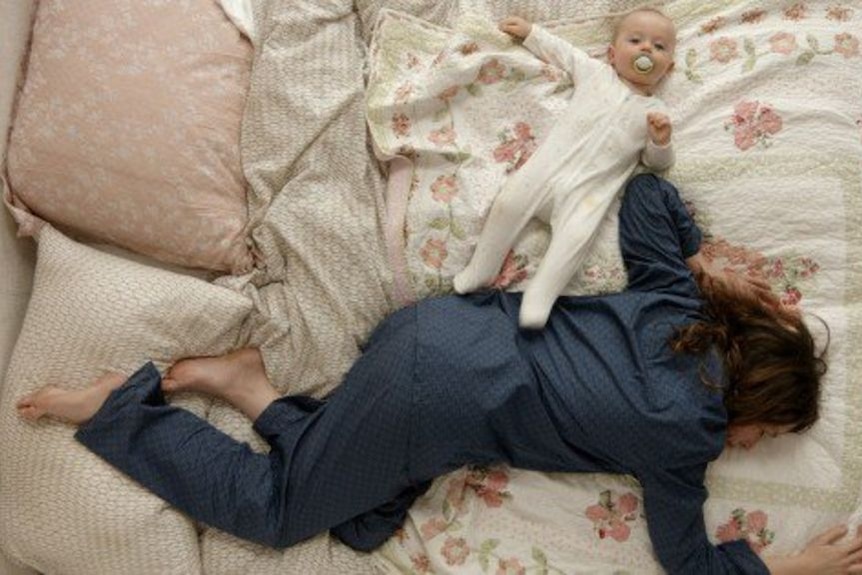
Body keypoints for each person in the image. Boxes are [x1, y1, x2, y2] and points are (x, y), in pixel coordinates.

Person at [18, 174, 860, 574]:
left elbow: (644, 193)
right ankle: (119, 408)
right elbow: (692, 568)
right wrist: (796, 569)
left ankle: (250, 387)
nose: (748, 444)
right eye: (768, 430)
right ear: (759, 402)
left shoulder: (677, 306)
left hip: (437, 332)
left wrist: (701, 259)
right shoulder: (688, 439)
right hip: (430, 403)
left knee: (363, 522)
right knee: (275, 513)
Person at [454, 8, 677, 329]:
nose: (646, 49)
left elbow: (658, 165)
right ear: (612, 54)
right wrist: (531, 33)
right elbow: (565, 53)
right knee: (508, 203)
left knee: (574, 243)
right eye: (636, 40)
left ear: (668, 68)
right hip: (545, 172)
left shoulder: (657, 113)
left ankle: (539, 298)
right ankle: (482, 267)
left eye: (659, 47)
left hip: (587, 195)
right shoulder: (597, 74)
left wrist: (660, 141)